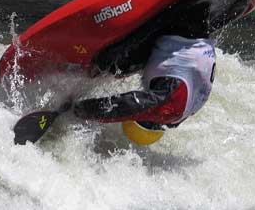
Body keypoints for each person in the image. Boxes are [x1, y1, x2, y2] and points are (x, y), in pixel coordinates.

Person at [72, 35, 216, 145]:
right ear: (140, 118)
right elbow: (128, 104)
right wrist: (79, 110)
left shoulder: (185, 113)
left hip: (204, 41)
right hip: (180, 35)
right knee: (106, 63)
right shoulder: (167, 112)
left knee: (120, 71)